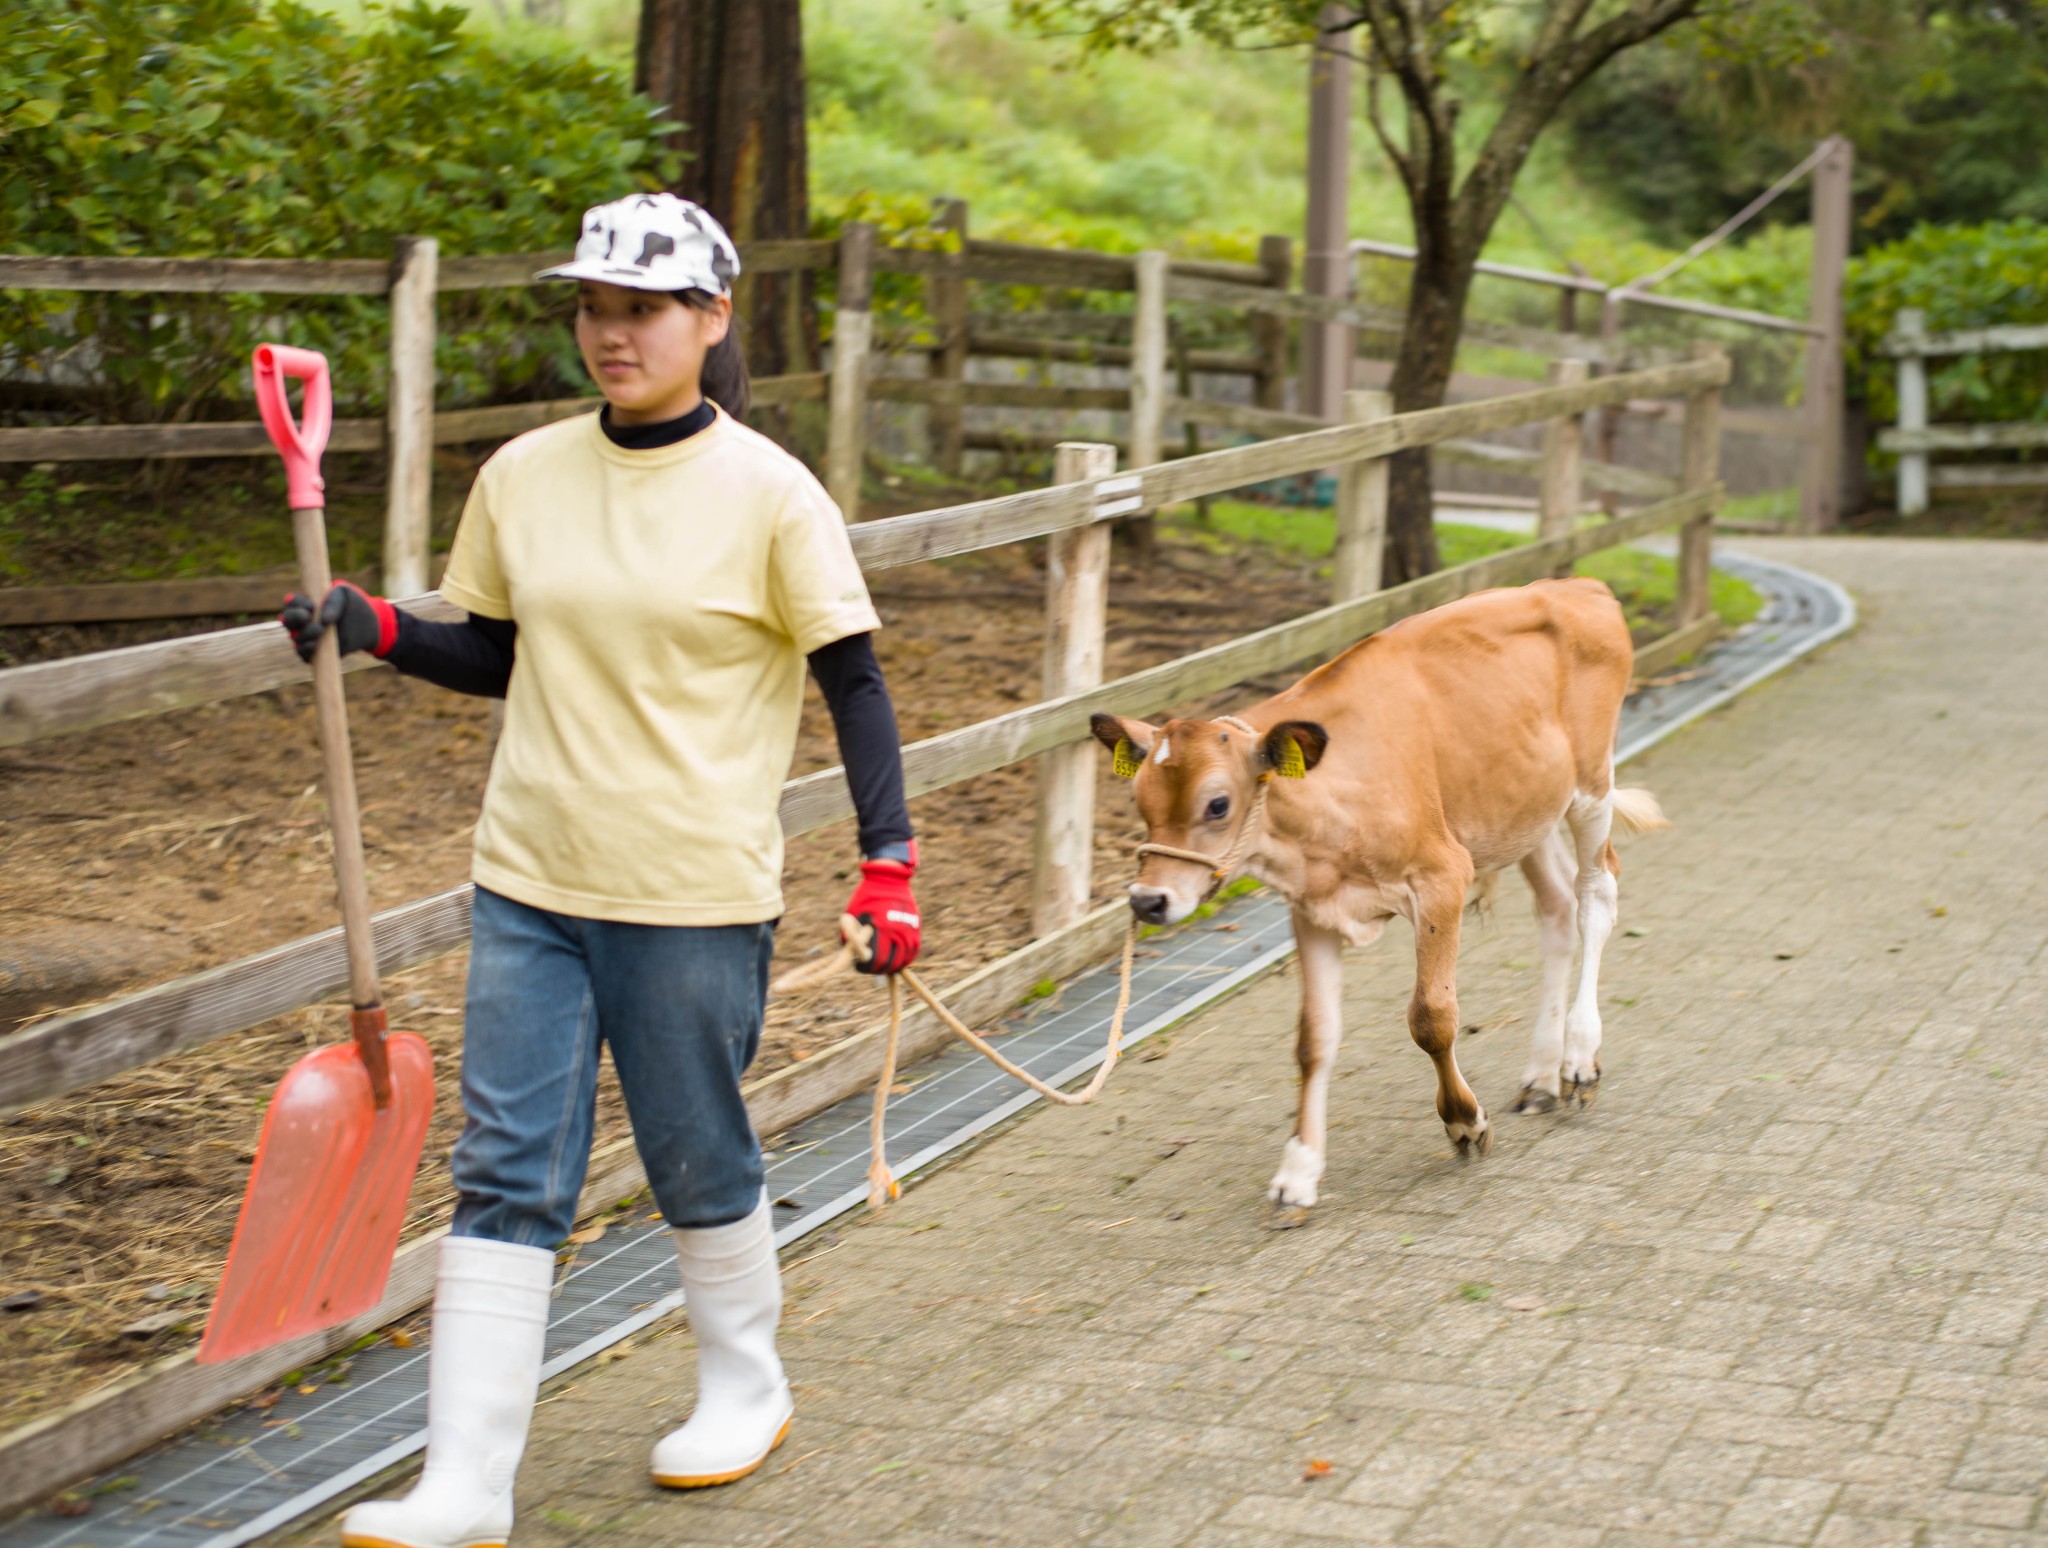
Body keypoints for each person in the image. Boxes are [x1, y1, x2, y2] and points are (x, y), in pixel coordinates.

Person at [280, 193, 920, 1548]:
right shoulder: (525, 476)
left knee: (696, 1153)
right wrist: (378, 623)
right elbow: (502, 653)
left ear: (710, 319)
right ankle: (467, 1485)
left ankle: (746, 1387)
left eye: (641, 308)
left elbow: (852, 682)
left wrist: (887, 865)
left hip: (689, 891)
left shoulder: (768, 493)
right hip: (530, 879)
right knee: (508, 1168)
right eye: (592, 307)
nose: (611, 333)